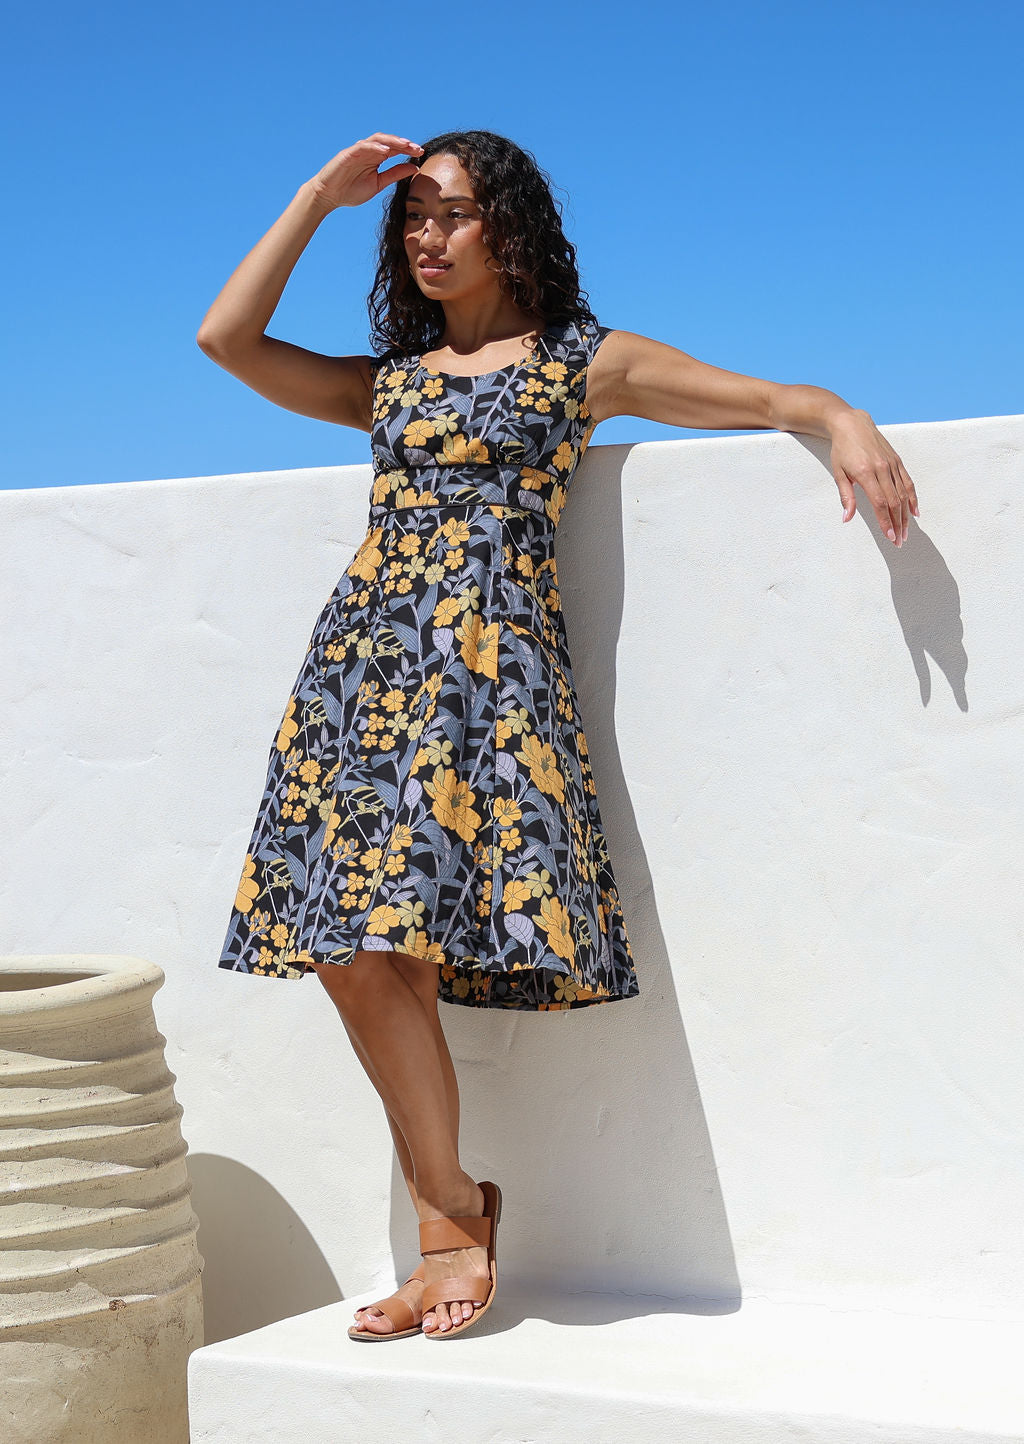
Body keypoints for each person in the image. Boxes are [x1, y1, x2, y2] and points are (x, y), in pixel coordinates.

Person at [197, 129, 919, 1342]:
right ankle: (452, 1210)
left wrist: (839, 416)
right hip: (359, 679)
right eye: (410, 216)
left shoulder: (588, 365)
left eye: (452, 214)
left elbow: (768, 399)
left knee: (389, 936)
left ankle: (447, 1235)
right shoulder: (394, 381)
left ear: (510, 226)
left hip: (489, 688)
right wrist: (320, 198)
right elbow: (228, 340)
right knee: (347, 945)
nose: (426, 235)